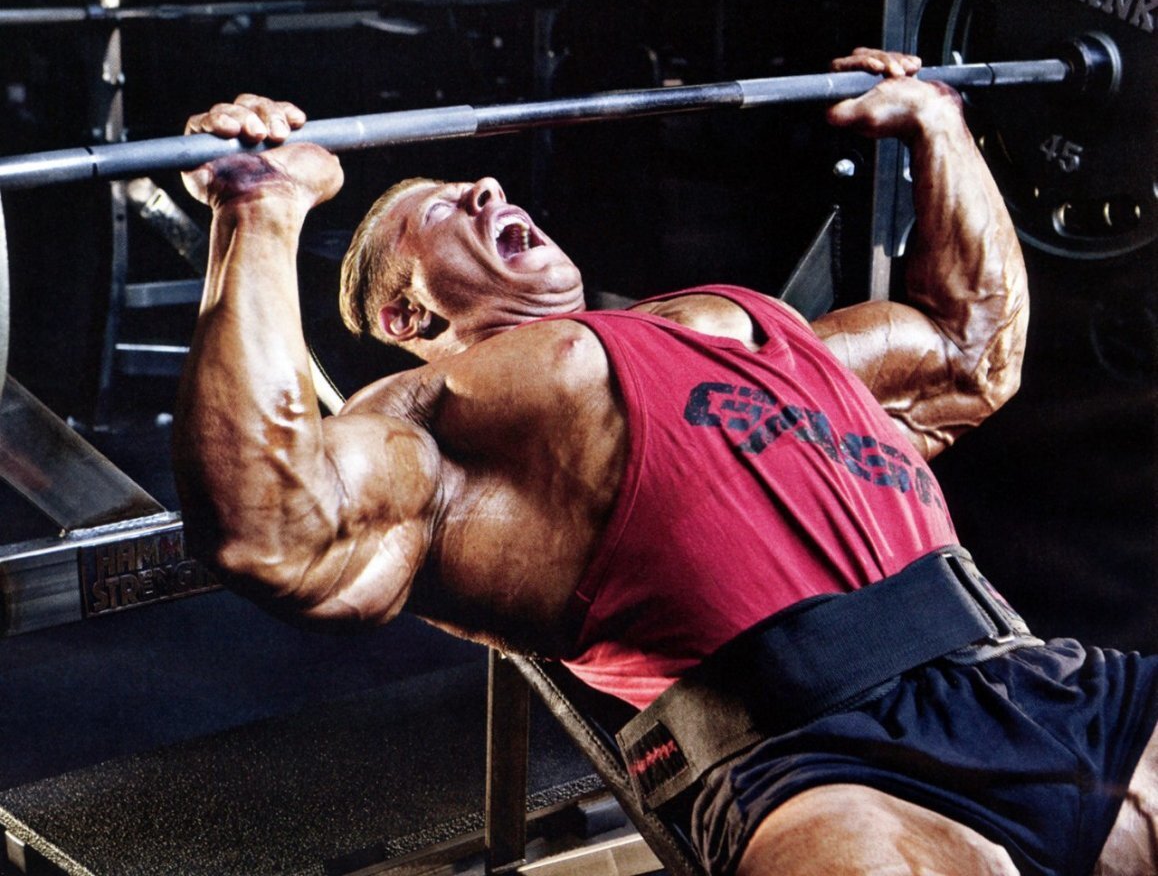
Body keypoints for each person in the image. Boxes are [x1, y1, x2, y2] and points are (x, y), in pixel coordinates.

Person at [173, 49, 1158, 876]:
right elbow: (276, 529)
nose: (487, 189)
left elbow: (970, 350)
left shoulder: (749, 330)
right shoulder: (437, 419)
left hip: (1032, 682)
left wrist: (938, 125)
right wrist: (259, 211)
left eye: (486, 187)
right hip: (825, 769)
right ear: (406, 316)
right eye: (439, 213)